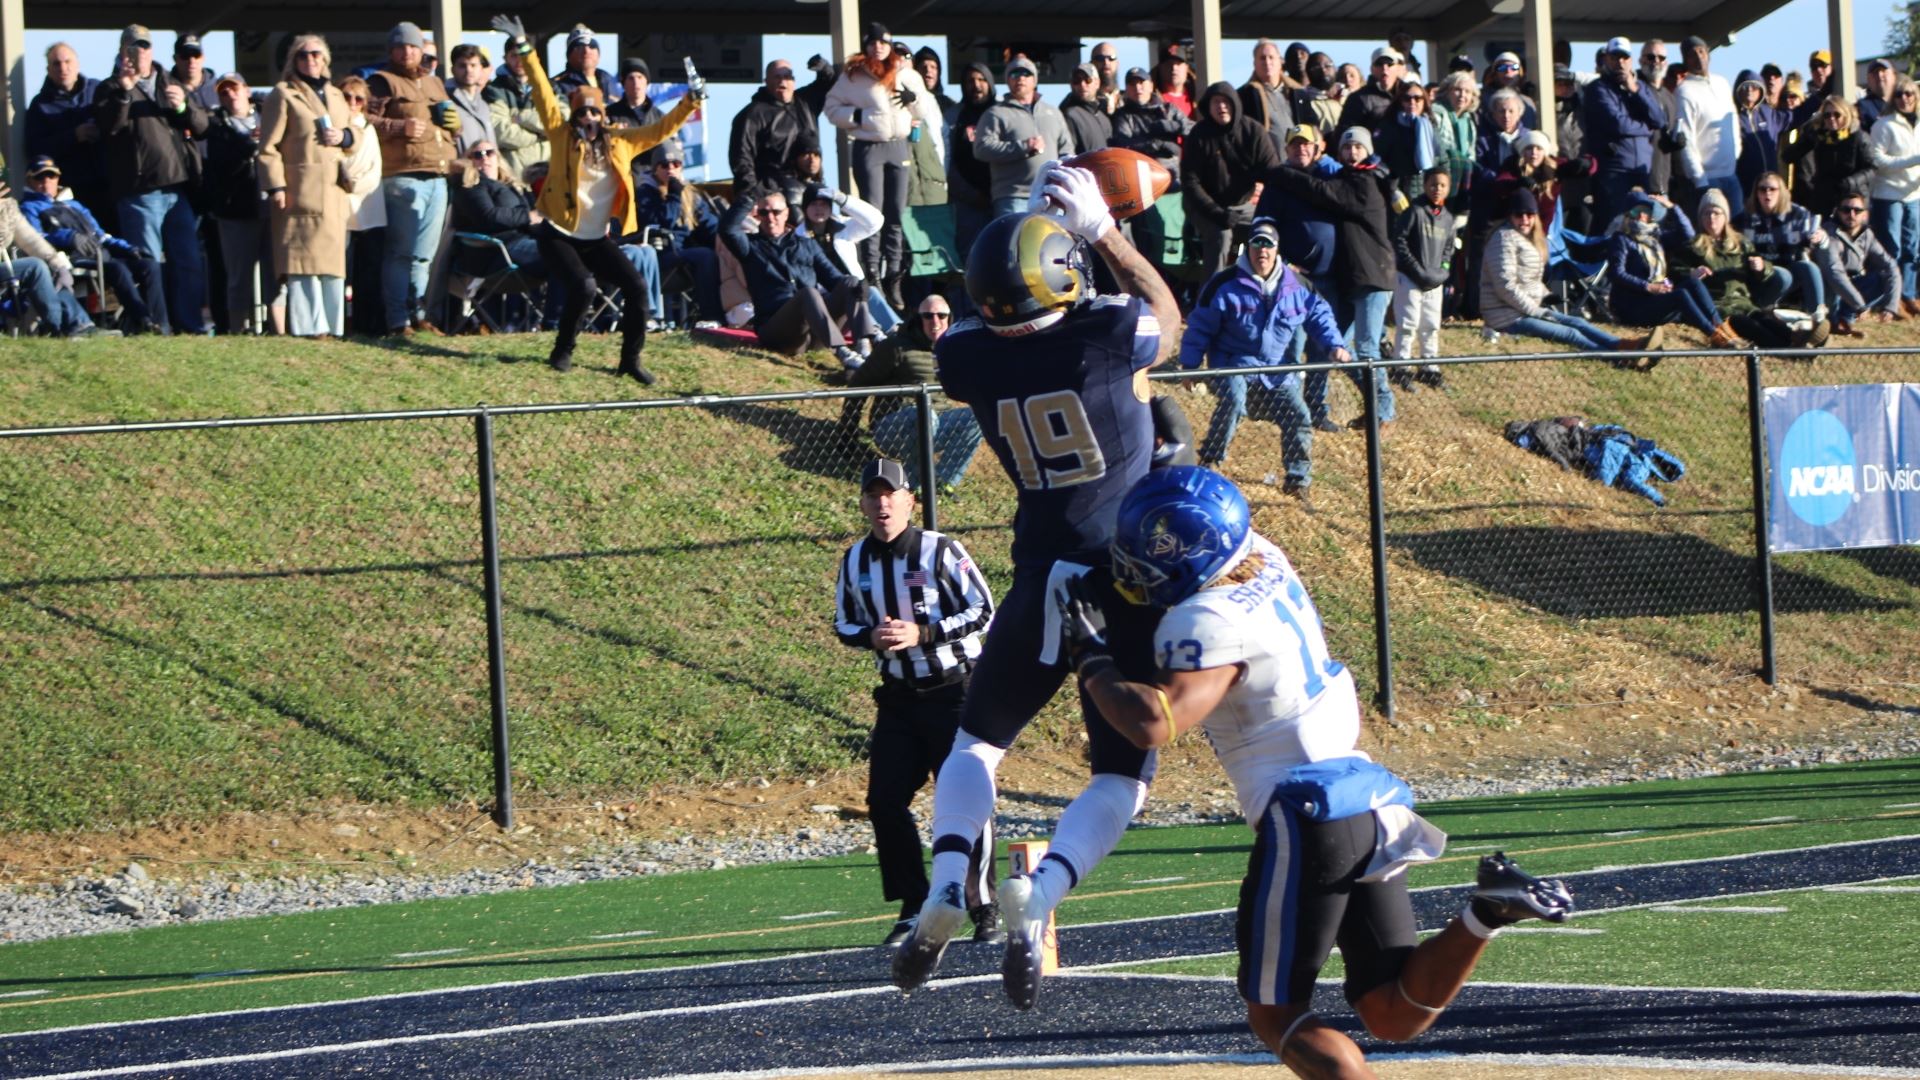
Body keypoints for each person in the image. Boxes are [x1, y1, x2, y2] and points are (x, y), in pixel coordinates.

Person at [1031, 464, 1575, 1056]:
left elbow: (1153, 722)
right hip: (1364, 790)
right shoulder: (1263, 556)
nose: (1133, 566)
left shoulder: (1205, 619)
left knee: (1278, 1016)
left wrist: (1092, 656)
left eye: (1151, 554)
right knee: (1390, 1012)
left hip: (1306, 812)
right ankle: (1485, 915)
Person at [889, 163, 1182, 994]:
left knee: (977, 742)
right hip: (1118, 579)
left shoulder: (965, 357)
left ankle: (949, 881)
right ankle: (1041, 890)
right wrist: (1104, 231)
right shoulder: (1105, 334)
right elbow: (1170, 320)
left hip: (1038, 570)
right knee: (1121, 774)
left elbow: (1007, 326)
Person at [833, 457, 999, 948]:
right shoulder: (855, 559)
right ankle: (913, 904)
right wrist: (873, 638)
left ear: (911, 501)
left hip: (954, 694)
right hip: (899, 698)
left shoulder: (940, 550)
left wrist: (922, 632)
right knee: (884, 801)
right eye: (873, 495)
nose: (882, 503)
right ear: (863, 503)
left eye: (891, 495)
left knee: (967, 801)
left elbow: (984, 609)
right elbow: (842, 623)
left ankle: (982, 906)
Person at [491, 16, 698, 379]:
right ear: (574, 115)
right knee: (584, 286)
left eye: (594, 111)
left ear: (602, 115)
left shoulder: (620, 141)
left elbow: (660, 129)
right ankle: (562, 351)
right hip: (558, 232)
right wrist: (525, 47)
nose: (588, 117)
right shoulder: (561, 134)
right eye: (582, 111)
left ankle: (630, 361)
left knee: (636, 287)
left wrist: (690, 101)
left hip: (596, 236)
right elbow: (541, 89)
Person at [1180, 217, 1350, 497]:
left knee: (1299, 415)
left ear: (1277, 250)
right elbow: (1200, 325)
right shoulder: (1224, 283)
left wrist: (1334, 344)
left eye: (1268, 245)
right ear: (1248, 248)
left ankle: (1298, 481)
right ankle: (1210, 460)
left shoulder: (1297, 285)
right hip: (1233, 365)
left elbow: (1320, 314)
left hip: (1276, 371)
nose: (1262, 251)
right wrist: (1190, 364)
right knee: (1233, 401)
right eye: (1256, 243)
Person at [1262, 127, 1399, 430]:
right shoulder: (1343, 176)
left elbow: (1325, 194)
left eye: (1358, 148)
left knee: (1366, 348)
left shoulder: (1365, 181)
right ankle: (1311, 408)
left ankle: (1384, 412)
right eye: (1347, 147)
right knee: (1332, 345)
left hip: (1370, 274)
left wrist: (1281, 173)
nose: (1352, 152)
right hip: (1342, 278)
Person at [95, 23, 209, 336]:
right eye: (133, 47)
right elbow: (108, 126)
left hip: (176, 189)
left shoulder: (170, 81)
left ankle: (190, 325)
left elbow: (201, 126)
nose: (140, 52)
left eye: (144, 46)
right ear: (122, 52)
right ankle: (155, 325)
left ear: (152, 51)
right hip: (138, 192)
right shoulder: (109, 87)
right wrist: (124, 90)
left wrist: (183, 106)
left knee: (187, 260)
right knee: (148, 264)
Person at [1481, 188, 1656, 360]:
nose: (1525, 220)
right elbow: (1505, 286)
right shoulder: (1503, 239)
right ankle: (1617, 359)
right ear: (1510, 216)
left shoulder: (1527, 239)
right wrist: (1536, 311)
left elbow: (1529, 279)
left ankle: (1624, 346)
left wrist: (1546, 295)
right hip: (1506, 317)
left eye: (1529, 214)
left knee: (1578, 322)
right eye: (1519, 215)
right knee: (1570, 333)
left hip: (1524, 310)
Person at [837, 295, 984, 495]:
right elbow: (859, 385)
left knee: (978, 414)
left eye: (942, 316)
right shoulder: (896, 346)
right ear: (917, 319)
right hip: (892, 427)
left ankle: (943, 482)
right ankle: (915, 481)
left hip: (938, 422)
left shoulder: (952, 348)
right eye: (928, 316)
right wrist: (847, 432)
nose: (935, 322)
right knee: (925, 414)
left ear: (949, 319)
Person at [257, 35, 353, 339]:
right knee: (303, 262)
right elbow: (267, 147)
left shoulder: (336, 95)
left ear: (325, 59)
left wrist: (345, 137)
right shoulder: (283, 95)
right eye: (303, 55)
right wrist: (276, 187)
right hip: (300, 189)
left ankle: (334, 327)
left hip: (334, 190)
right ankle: (310, 327)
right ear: (293, 60)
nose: (310, 60)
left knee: (333, 265)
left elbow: (355, 133)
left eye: (316, 54)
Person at [367, 21, 458, 335]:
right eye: (400, 46)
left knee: (423, 256)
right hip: (401, 177)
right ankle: (397, 320)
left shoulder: (434, 83)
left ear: (422, 50)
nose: (407, 52)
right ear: (391, 50)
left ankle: (419, 316)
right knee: (400, 252)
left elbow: (448, 125)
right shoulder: (382, 81)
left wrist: (455, 124)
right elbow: (363, 119)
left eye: (413, 46)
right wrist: (396, 127)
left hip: (437, 175)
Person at [719, 187, 875, 367]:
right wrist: (749, 198)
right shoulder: (750, 247)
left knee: (851, 282)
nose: (770, 218)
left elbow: (834, 280)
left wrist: (858, 287)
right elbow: (727, 229)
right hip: (778, 333)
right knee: (807, 293)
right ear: (757, 216)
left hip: (815, 334)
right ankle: (842, 352)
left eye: (776, 212)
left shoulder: (806, 245)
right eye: (764, 212)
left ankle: (864, 345)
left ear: (786, 213)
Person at [16, 155, 163, 334]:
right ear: (29, 180)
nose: (46, 182)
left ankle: (160, 324)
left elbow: (100, 235)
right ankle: (143, 321)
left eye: (51, 176)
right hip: (70, 257)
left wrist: (128, 248)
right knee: (117, 269)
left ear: (58, 178)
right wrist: (70, 237)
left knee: (149, 265)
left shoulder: (74, 204)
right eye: (39, 177)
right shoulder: (28, 207)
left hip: (100, 253)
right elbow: (36, 238)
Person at [825, 22, 916, 308]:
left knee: (897, 214)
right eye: (874, 42)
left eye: (884, 43)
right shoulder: (854, 75)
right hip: (869, 146)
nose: (879, 47)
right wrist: (860, 115)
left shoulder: (903, 72)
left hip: (898, 145)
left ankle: (894, 275)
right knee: (873, 212)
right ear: (866, 45)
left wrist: (914, 100)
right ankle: (872, 273)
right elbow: (832, 108)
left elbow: (923, 106)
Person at [1680, 187, 1823, 348]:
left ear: (1725, 217)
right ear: (1700, 218)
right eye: (1706, 213)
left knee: (1767, 322)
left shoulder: (1740, 243)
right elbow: (1675, 272)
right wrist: (1691, 273)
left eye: (1716, 213)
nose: (1711, 218)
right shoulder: (1692, 246)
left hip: (1744, 302)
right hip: (1718, 306)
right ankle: (1789, 349)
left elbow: (1763, 271)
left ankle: (1804, 341)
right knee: (1751, 327)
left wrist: (1761, 267)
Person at [1606, 190, 1741, 348]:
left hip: (1654, 300)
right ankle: (1713, 335)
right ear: (1628, 214)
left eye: (1646, 210)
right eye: (1637, 211)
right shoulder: (1621, 238)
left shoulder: (1655, 237)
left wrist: (1672, 207)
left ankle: (1721, 327)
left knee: (1693, 283)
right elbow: (1616, 273)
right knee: (1680, 294)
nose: (1642, 216)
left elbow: (1688, 235)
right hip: (1632, 306)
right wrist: (1648, 286)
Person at [1183, 81, 1281, 275]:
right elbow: (1190, 182)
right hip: (1205, 207)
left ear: (1235, 104)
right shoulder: (1198, 135)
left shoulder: (1253, 131)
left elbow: (1273, 173)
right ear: (1207, 107)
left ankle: (1267, 289)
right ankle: (1211, 296)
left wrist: (1266, 197)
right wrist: (1216, 213)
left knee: (1268, 233)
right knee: (1221, 236)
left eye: (1226, 102)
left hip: (1245, 205)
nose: (1221, 107)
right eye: (1216, 102)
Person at [203, 72, 272, 335]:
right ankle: (236, 330)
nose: (230, 95)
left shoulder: (268, 116)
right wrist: (248, 143)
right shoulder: (217, 126)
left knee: (274, 275)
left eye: (234, 89)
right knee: (238, 278)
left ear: (247, 90)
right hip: (235, 210)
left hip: (269, 206)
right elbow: (220, 162)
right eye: (223, 92)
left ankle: (278, 328)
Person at [795, 182, 897, 351]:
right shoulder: (797, 239)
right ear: (805, 207)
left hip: (858, 293)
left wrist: (843, 200)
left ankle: (896, 332)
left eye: (824, 204)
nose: (819, 209)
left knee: (870, 291)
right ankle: (872, 334)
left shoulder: (844, 228)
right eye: (814, 204)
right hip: (827, 304)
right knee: (852, 291)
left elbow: (876, 220)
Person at [0, 187, 113, 338]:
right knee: (34, 266)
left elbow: (32, 241)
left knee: (49, 265)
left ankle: (80, 325)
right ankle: (57, 327)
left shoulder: (7, 208)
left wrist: (58, 265)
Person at [633, 141, 722, 326]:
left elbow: (708, 225)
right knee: (705, 256)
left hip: (683, 254)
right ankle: (710, 316)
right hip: (658, 255)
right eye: (664, 165)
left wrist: (728, 238)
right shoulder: (645, 192)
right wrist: (674, 195)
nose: (670, 169)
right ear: (655, 168)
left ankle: (735, 314)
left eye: (676, 164)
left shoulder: (690, 194)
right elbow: (661, 222)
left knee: (726, 252)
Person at [1583, 36, 1668, 229]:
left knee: (1643, 228)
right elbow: (1618, 124)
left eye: (1624, 57)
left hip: (1642, 172)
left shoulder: (1641, 87)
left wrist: (1634, 90)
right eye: (1615, 57)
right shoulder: (1597, 89)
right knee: (1613, 226)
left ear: (1631, 60)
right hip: (1614, 171)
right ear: (1606, 59)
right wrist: (1646, 128)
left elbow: (1659, 120)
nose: (1620, 62)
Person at [974, 57, 1074, 217]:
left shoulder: (1053, 112)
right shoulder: (995, 113)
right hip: (1013, 197)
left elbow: (1067, 151)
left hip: (1050, 195)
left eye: (1026, 74)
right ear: (1007, 80)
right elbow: (981, 149)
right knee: (1013, 242)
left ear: (1034, 80)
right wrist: (1023, 147)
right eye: (1014, 74)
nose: (1020, 78)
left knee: (1053, 242)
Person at [27, 43, 108, 222]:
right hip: (71, 190)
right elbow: (35, 149)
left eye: (67, 61)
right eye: (56, 64)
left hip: (109, 183)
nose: (63, 68)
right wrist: (74, 136)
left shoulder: (99, 90)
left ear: (77, 64)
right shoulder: (40, 105)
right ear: (48, 69)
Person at [1738, 170, 1830, 319]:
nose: (1767, 193)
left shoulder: (1798, 214)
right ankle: (1761, 310)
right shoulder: (1745, 217)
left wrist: (1821, 237)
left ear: (1781, 192)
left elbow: (1819, 240)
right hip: (1759, 274)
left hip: (1790, 268)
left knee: (1809, 267)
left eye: (1772, 189)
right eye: (1762, 189)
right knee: (1782, 275)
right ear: (1756, 193)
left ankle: (1817, 316)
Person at [1392, 167, 1453, 388]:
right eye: (1433, 184)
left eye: (1442, 185)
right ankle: (1401, 365)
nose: (1437, 189)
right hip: (1410, 278)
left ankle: (1429, 366)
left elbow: (1448, 249)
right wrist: (1416, 270)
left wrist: (1442, 271)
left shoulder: (1447, 219)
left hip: (1434, 282)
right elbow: (1400, 242)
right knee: (1408, 324)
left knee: (1430, 324)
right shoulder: (1414, 211)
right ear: (1425, 185)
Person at [338, 75, 387, 338]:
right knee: (340, 273)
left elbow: (374, 168)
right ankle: (339, 325)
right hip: (340, 208)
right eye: (347, 97)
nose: (353, 103)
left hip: (369, 209)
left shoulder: (368, 129)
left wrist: (352, 182)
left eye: (359, 98)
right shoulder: (331, 127)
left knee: (369, 274)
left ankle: (368, 326)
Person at [1867, 78, 1920, 319]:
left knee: (1912, 248)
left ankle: (1908, 294)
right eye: (1899, 94)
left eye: (1909, 94)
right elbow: (1877, 160)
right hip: (1888, 194)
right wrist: (1913, 161)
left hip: (1914, 194)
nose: (1905, 98)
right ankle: (1891, 298)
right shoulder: (1884, 125)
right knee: (1893, 249)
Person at [451, 140, 543, 277]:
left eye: (489, 153)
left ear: (498, 158)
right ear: (470, 160)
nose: (484, 158)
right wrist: (528, 216)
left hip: (523, 239)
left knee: (568, 251)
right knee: (557, 256)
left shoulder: (511, 185)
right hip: (496, 249)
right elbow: (488, 216)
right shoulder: (471, 185)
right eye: (478, 155)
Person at [731, 59, 818, 203]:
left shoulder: (805, 105)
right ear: (766, 81)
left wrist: (823, 67)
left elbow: (829, 82)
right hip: (767, 193)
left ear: (794, 81)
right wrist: (754, 193)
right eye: (777, 77)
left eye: (787, 76)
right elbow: (741, 157)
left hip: (805, 193)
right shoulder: (751, 115)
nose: (782, 81)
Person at [1674, 36, 1742, 210]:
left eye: (1701, 51)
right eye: (1692, 54)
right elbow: (1686, 139)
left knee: (1737, 232)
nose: (1698, 57)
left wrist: (1736, 153)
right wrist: (1700, 180)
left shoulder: (1722, 83)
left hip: (1731, 175)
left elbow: (1733, 119)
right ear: (1685, 60)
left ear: (1708, 55)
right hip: (1707, 179)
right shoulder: (1684, 91)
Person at [1821, 192, 1903, 334]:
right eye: (1846, 210)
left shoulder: (1867, 235)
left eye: (1857, 210)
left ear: (1865, 214)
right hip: (1830, 287)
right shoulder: (1829, 233)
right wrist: (1860, 305)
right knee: (1834, 283)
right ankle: (1832, 320)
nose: (1851, 214)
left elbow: (1891, 266)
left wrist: (1891, 306)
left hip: (1854, 283)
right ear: (1837, 212)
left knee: (1880, 277)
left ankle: (1845, 318)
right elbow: (1834, 272)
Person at [1782, 95, 1875, 218]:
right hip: (1825, 199)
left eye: (1837, 115)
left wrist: (1851, 182)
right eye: (1827, 115)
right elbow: (1788, 156)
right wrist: (1808, 136)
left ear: (1846, 115)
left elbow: (1872, 168)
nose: (1832, 119)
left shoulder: (1858, 136)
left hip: (1852, 197)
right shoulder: (1820, 137)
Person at [947, 63, 998, 266]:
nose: (976, 86)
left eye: (981, 80)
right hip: (966, 204)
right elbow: (945, 161)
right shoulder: (952, 117)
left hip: (999, 199)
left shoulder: (1003, 113)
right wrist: (969, 194)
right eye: (970, 81)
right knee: (970, 259)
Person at [484, 35, 549, 182]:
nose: (520, 60)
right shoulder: (494, 90)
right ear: (505, 58)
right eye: (514, 55)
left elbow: (558, 123)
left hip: (548, 174)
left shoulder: (550, 88)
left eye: (523, 55)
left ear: (534, 57)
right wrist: (539, 135)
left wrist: (520, 118)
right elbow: (500, 131)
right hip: (514, 176)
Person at [1374, 79, 1440, 203]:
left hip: (1428, 191)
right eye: (1407, 98)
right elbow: (1378, 161)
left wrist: (1440, 187)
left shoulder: (1431, 126)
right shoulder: (1388, 126)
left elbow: (1441, 160)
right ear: (1400, 101)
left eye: (1417, 98)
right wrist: (1393, 190)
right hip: (1397, 193)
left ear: (1424, 101)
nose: (1412, 102)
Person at [606, 57, 668, 172]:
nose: (636, 82)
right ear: (623, 83)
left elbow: (671, 150)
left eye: (640, 77)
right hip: (622, 179)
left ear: (647, 82)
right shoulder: (610, 115)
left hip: (654, 181)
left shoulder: (660, 118)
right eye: (631, 78)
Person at [1431, 72, 1479, 216]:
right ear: (1447, 92)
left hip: (1461, 179)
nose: (1462, 95)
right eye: (1457, 89)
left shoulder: (1469, 122)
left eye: (1467, 91)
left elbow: (1471, 155)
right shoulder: (1436, 113)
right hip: (1439, 175)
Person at [1240, 40, 1296, 156]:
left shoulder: (1297, 93)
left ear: (1280, 61)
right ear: (1254, 63)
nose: (1267, 62)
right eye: (1262, 58)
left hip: (1297, 166)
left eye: (1271, 57)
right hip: (1267, 166)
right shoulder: (1244, 96)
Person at [1736, 76, 1785, 201]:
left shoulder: (1768, 113)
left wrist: (1819, 96)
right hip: (1747, 189)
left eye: (1754, 86)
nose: (1749, 90)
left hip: (1772, 187)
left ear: (1761, 90)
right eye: (1745, 86)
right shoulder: (1732, 116)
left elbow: (1794, 117)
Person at [1338, 46, 1404, 138]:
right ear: (1372, 69)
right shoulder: (1358, 99)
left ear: (1397, 68)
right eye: (1379, 64)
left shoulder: (1410, 95)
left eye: (1390, 64)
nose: (1385, 69)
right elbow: (1346, 134)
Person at [444, 44, 496, 156]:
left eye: (473, 65)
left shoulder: (484, 105)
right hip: (460, 169)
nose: (468, 70)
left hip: (485, 168)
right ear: (453, 70)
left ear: (481, 69)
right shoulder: (445, 101)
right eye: (462, 66)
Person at [551, 25, 617, 105]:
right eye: (579, 47)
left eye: (592, 46)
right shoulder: (557, 85)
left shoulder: (611, 82)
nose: (586, 51)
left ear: (599, 54)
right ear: (569, 55)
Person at [1479, 51, 1542, 131]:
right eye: (1502, 68)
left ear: (1520, 73)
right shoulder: (1481, 99)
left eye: (1514, 67)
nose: (1508, 71)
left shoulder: (1528, 102)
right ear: (1494, 74)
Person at [1061, 64, 1113, 156]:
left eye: (1088, 80)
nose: (1082, 84)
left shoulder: (1104, 118)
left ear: (1097, 83)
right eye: (1076, 81)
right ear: (1071, 85)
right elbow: (1067, 156)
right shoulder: (1069, 115)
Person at [1858, 58, 1898, 132]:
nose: (1879, 75)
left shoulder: (1904, 101)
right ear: (1868, 80)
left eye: (1883, 71)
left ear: (1894, 76)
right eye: (1874, 73)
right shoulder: (1861, 108)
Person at [1088, 43, 1123, 114]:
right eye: (1100, 58)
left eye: (1111, 58)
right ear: (1091, 64)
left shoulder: (1129, 99)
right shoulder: (1083, 99)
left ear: (1117, 64)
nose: (1106, 62)